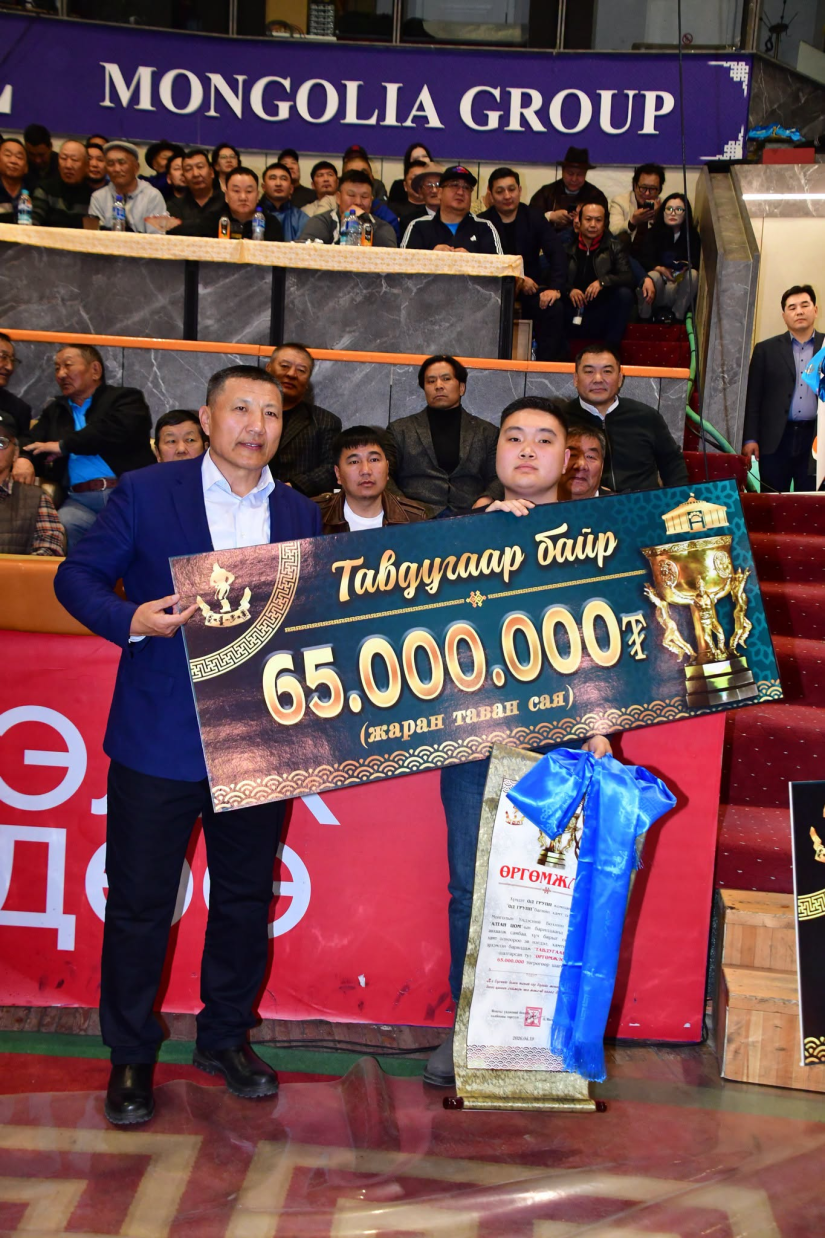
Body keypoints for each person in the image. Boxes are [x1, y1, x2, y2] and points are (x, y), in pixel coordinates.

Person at [53, 364, 322, 1126]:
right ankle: (130, 1054)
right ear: (206, 419)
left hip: (258, 740)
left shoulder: (299, 510)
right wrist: (130, 619)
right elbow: (76, 577)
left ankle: (225, 1037)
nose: (255, 426)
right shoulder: (145, 491)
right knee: (140, 903)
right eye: (240, 409)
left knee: (243, 900)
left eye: (271, 413)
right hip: (158, 736)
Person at [426, 395, 612, 1088]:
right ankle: (468, 1030)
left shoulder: (599, 537)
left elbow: (610, 642)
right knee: (469, 888)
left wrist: (601, 727)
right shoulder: (451, 533)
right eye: (514, 437)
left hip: (563, 742)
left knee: (555, 891)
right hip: (471, 741)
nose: (528, 449)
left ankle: (546, 1037)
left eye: (544, 439)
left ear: (570, 459)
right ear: (495, 451)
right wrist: (478, 535)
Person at [23, 344, 155, 551]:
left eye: (68, 365)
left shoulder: (125, 398)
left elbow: (113, 429)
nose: (61, 374)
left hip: (125, 494)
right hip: (79, 501)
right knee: (62, 526)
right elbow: (31, 440)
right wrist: (24, 459)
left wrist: (63, 446)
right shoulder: (56, 410)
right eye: (57, 368)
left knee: (140, 543)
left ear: (95, 370)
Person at [565, 343, 688, 493]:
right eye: (589, 371)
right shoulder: (561, 420)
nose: (598, 379)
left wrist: (676, 499)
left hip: (642, 503)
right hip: (585, 503)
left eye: (607, 371)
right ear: (576, 379)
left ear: (620, 379)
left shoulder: (646, 416)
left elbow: (673, 464)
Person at [389, 355, 501, 513]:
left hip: (470, 516)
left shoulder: (487, 432)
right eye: (431, 381)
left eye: (446, 379)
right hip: (417, 518)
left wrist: (487, 499)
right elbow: (383, 475)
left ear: (462, 388)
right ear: (424, 389)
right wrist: (403, 507)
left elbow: (500, 476)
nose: (438, 386)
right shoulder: (400, 430)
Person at [479, 166, 566, 361]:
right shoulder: (482, 223)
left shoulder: (534, 217)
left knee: (554, 308)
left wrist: (555, 288)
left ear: (519, 190)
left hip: (530, 290)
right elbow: (483, 262)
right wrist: (517, 278)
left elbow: (557, 253)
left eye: (511, 189)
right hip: (492, 292)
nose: (507, 196)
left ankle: (544, 368)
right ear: (490, 195)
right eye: (500, 191)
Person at [742, 284, 823, 493]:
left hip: (816, 438)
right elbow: (753, 398)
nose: (799, 311)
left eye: (805, 305)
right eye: (792, 307)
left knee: (811, 501)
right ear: (784, 316)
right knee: (772, 501)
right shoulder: (765, 350)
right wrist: (750, 438)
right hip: (776, 439)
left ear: (815, 310)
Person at [313, 425, 430, 533]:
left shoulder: (414, 519)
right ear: (338, 474)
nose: (366, 471)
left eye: (374, 460)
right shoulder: (314, 515)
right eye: (354, 462)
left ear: (387, 468)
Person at [265, 343, 342, 493]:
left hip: (299, 500)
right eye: (285, 366)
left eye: (301, 370)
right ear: (269, 368)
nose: (291, 374)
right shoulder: (245, 414)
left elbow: (332, 469)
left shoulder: (325, 421)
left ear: (308, 381)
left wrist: (291, 487)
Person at [562, 201, 634, 347]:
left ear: (605, 223)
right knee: (551, 297)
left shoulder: (615, 247)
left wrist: (602, 282)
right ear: (579, 221)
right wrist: (569, 290)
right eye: (588, 219)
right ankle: (557, 353)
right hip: (572, 308)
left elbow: (627, 277)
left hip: (600, 309)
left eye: (598, 220)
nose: (593, 225)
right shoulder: (566, 248)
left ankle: (610, 350)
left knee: (624, 294)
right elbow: (552, 277)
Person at [0, 412, 65, 556]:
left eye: (1, 443)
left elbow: (51, 549)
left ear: (15, 453)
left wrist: (15, 569)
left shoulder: (36, 499)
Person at [401, 165, 502, 254]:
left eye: (466, 187)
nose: (460, 192)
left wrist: (471, 261)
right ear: (440, 193)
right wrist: (431, 257)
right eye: (454, 185)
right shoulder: (418, 226)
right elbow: (402, 266)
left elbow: (499, 268)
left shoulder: (485, 228)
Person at [637, 192, 700, 324]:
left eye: (678, 209)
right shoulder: (653, 233)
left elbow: (696, 260)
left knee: (693, 274)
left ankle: (677, 318)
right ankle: (645, 319)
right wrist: (660, 269)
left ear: (686, 213)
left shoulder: (692, 236)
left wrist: (684, 268)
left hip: (678, 286)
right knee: (652, 276)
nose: (673, 213)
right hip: (658, 287)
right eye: (669, 209)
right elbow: (643, 259)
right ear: (663, 212)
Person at [297, 169, 397, 247]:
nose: (358, 202)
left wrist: (364, 220)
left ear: (371, 201)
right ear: (338, 198)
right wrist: (346, 226)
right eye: (351, 195)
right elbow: (305, 253)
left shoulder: (383, 227)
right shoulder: (322, 221)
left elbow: (389, 259)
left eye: (364, 196)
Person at [529, 146, 608, 240]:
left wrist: (583, 221)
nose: (574, 179)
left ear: (585, 174)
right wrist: (551, 216)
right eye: (570, 174)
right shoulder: (546, 193)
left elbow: (605, 225)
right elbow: (529, 220)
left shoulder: (596, 196)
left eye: (579, 174)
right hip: (549, 242)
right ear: (563, 171)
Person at [89, 142, 166, 233]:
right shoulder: (98, 197)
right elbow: (94, 236)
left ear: (136, 168)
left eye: (122, 163)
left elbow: (157, 237)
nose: (116, 169)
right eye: (111, 164)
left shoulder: (152, 196)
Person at [163, 149, 226, 237]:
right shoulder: (174, 207)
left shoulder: (226, 203)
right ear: (184, 177)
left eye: (200, 167)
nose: (195, 174)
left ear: (211, 172)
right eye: (188, 169)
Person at [31, 139, 92, 228]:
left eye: (74, 160)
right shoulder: (45, 190)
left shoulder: (93, 196)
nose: (68, 165)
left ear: (86, 166)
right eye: (63, 158)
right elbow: (32, 223)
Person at [608, 162, 665, 256]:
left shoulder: (664, 206)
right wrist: (632, 222)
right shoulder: (620, 202)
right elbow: (613, 231)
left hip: (652, 257)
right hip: (627, 255)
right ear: (635, 186)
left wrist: (657, 216)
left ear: (659, 190)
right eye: (643, 188)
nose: (647, 193)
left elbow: (668, 239)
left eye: (652, 189)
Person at [339, 151, 400, 238]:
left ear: (372, 178)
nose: (358, 202)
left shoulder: (387, 218)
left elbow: (389, 244)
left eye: (364, 174)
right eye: (352, 174)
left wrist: (365, 220)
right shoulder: (326, 219)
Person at [0, 335, 33, 475]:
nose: (9, 367)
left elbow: (25, 442)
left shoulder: (18, 408)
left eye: (12, 360)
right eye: (3, 357)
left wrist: (24, 457)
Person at [223, 167, 283, 240]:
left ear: (257, 196)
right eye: (236, 191)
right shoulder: (213, 220)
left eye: (249, 191)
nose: (243, 197)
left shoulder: (271, 223)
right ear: (226, 195)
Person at [258, 162, 307, 240]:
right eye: (273, 178)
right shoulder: (254, 214)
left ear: (291, 189)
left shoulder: (301, 219)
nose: (278, 183)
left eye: (283, 179)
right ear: (263, 187)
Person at [559, 424, 607, 500]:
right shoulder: (539, 504)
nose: (581, 465)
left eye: (590, 456)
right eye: (572, 455)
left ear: (602, 467)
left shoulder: (621, 504)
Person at [388, 142, 433, 207]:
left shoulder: (439, 183)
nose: (421, 160)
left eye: (424, 156)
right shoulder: (398, 186)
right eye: (416, 159)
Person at [389, 158, 429, 226]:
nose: (418, 183)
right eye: (414, 179)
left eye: (422, 179)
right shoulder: (392, 211)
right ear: (405, 185)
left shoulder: (436, 209)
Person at [0, 138, 30, 222]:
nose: (13, 161)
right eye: (8, 155)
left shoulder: (34, 192)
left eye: (19, 157)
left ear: (26, 167)